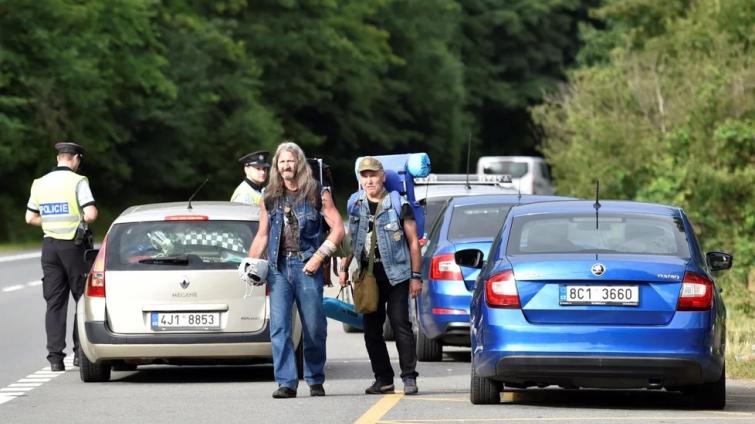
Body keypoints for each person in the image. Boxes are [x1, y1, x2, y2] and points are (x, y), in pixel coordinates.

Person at [247, 141, 344, 398]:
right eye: (281, 162)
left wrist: (320, 256)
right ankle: (286, 382)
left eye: (290, 161)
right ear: (276, 167)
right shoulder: (269, 198)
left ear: (298, 163)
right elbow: (262, 235)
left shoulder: (317, 193)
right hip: (278, 268)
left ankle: (314, 378)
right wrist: (248, 264)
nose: (286, 166)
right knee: (279, 327)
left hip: (307, 267)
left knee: (314, 327)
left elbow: (338, 229)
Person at [338, 156, 422, 395]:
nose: (369, 180)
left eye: (373, 175)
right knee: (371, 331)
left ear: (383, 176)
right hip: (368, 277)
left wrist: (416, 277)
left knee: (400, 325)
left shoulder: (398, 203)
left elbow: (414, 242)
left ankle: (409, 377)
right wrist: (344, 268)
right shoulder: (355, 205)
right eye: (364, 176)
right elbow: (352, 240)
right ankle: (383, 379)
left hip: (397, 275)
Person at [25, 142, 98, 372]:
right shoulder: (78, 181)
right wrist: (79, 220)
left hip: (50, 247)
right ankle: (79, 353)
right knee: (82, 299)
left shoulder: (40, 183)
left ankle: (55, 358)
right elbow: (91, 214)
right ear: (75, 158)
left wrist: (50, 222)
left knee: (54, 302)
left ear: (59, 158)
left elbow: (30, 218)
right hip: (74, 247)